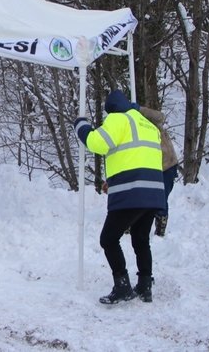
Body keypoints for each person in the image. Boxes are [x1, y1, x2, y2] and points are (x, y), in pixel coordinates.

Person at [74, 89, 165, 304]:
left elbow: (97, 143)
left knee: (108, 238)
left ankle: (122, 285)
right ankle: (144, 285)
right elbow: (136, 155)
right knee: (140, 239)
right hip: (153, 192)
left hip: (131, 192)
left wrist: (81, 126)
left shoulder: (118, 118)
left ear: (111, 109)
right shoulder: (146, 124)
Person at [138, 106, 179, 237]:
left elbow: (160, 116)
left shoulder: (150, 120)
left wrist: (140, 109)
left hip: (166, 164)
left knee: (161, 197)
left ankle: (160, 228)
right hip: (151, 167)